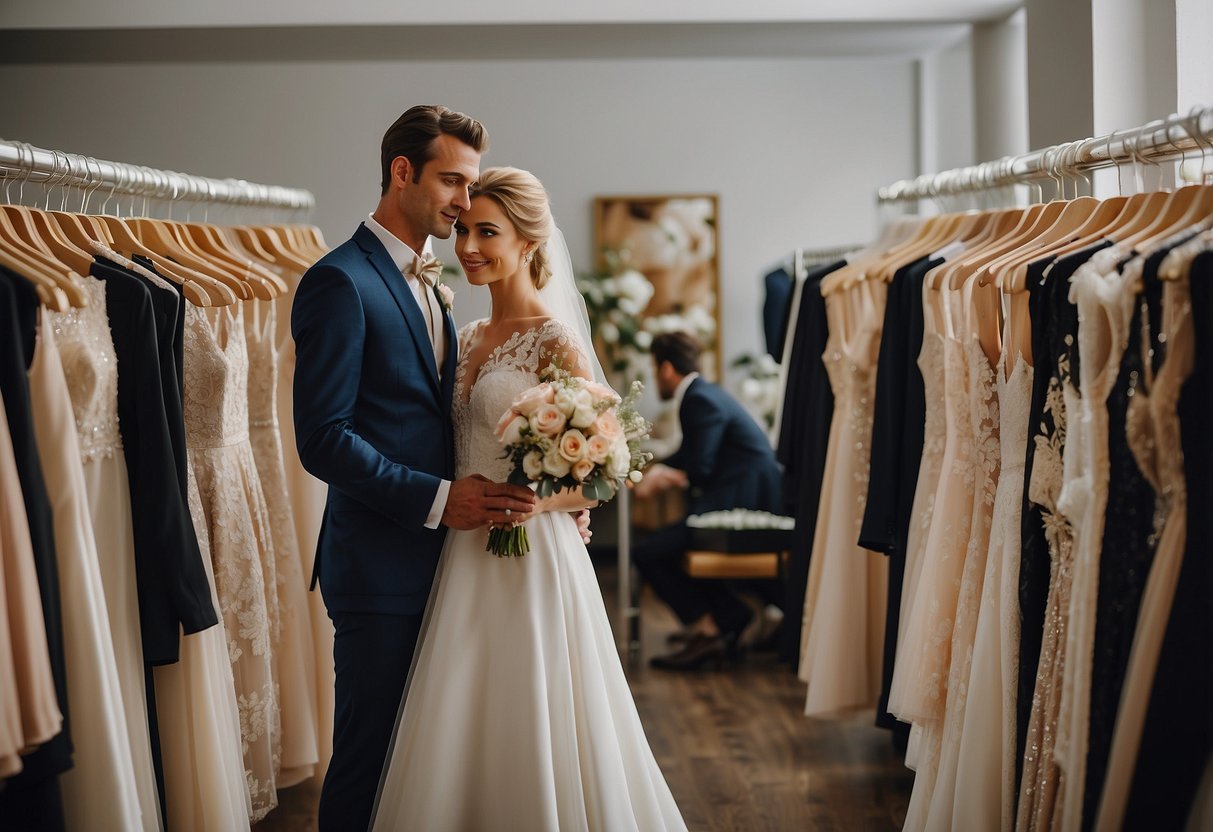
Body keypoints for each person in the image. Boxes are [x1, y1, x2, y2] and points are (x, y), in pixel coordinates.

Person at [370, 167, 686, 830]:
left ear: (528, 242)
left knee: (533, 704)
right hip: (459, 550)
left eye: (488, 232)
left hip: (530, 553)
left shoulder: (557, 343)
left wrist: (535, 505)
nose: (468, 246)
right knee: (461, 708)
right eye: (464, 230)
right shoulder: (461, 337)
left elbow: (602, 472)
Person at [291, 106, 543, 831]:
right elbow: (323, 438)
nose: (465, 202)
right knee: (368, 763)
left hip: (451, 566)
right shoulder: (341, 281)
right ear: (402, 172)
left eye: (470, 186)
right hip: (379, 568)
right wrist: (439, 500)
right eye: (452, 181)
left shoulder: (431, 283)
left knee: (428, 765)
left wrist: (544, 496)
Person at [632, 332, 783, 671]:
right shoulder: (703, 393)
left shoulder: (699, 399)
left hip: (744, 506)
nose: (656, 378)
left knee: (650, 552)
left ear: (667, 368)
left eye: (656, 369)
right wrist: (660, 470)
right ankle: (726, 616)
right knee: (665, 546)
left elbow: (700, 465)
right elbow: (694, 453)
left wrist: (660, 477)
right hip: (736, 497)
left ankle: (711, 626)